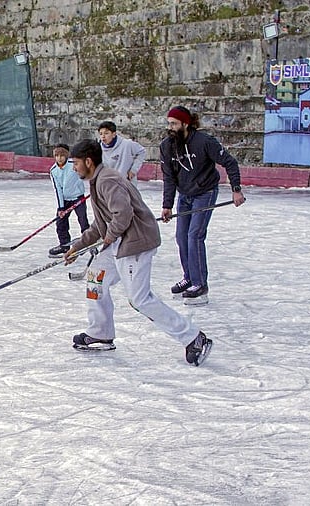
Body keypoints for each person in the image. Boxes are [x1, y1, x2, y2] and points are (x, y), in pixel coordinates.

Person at [64, 139, 213, 366]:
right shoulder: (99, 180)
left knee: (139, 299)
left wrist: (110, 236)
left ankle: (193, 338)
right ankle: (101, 332)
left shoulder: (107, 180)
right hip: (119, 243)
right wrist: (78, 246)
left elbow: (122, 215)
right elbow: (101, 223)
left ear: (88, 161)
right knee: (95, 280)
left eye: (75, 163)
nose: (73, 167)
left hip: (135, 243)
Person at [159, 105, 246, 305]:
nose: (170, 127)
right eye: (169, 123)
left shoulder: (205, 141)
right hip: (185, 195)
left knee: (194, 236)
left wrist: (236, 189)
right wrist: (167, 205)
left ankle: (200, 284)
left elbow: (230, 163)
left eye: (174, 123)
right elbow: (169, 177)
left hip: (205, 192)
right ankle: (189, 277)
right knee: (181, 237)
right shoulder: (167, 146)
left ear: (185, 123)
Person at [47, 143, 89, 257]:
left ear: (66, 156)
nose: (59, 158)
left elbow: (87, 172)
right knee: (61, 223)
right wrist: (61, 207)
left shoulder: (74, 164)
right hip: (65, 201)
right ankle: (64, 245)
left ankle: (88, 243)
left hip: (78, 198)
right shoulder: (53, 170)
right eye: (56, 155)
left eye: (61, 155)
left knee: (83, 220)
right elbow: (58, 190)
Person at [97, 120, 146, 187]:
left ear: (114, 134)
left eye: (106, 133)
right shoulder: (98, 148)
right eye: (101, 134)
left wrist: (133, 170)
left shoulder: (127, 144)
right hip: (108, 185)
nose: (103, 136)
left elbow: (142, 151)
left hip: (126, 185)